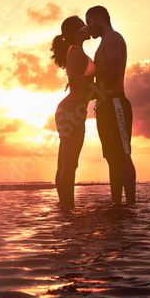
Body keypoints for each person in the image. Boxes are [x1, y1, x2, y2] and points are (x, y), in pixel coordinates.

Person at [85, 5, 136, 206]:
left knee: (123, 156)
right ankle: (116, 205)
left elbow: (112, 74)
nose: (89, 28)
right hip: (105, 106)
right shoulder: (104, 42)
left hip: (115, 103)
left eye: (89, 22)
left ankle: (131, 205)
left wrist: (90, 88)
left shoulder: (113, 38)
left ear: (99, 18)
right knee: (111, 158)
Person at [50, 16, 95, 208]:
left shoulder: (74, 51)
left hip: (70, 109)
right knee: (69, 164)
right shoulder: (76, 52)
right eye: (85, 27)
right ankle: (67, 207)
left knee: (65, 164)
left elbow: (76, 79)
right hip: (73, 110)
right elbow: (76, 81)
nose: (88, 29)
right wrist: (99, 89)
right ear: (78, 33)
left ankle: (64, 207)